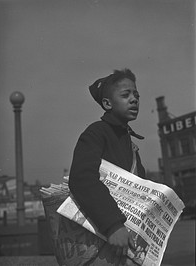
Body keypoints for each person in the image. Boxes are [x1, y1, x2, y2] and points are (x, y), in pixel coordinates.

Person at [69, 68, 146, 265]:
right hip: (105, 238)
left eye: (136, 95)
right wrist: (113, 225)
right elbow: (82, 179)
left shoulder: (130, 143)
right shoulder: (96, 133)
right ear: (107, 103)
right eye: (125, 94)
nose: (134, 99)